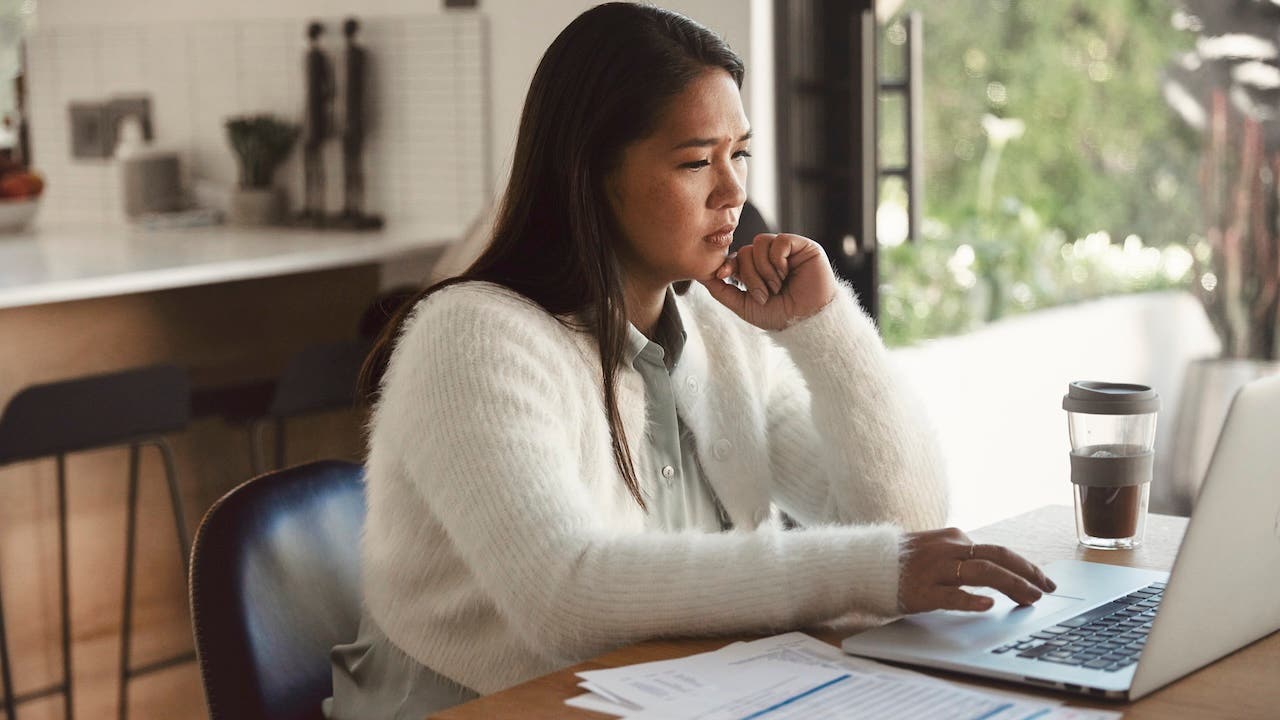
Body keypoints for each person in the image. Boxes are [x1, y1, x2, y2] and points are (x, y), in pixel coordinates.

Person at [326, 4, 1055, 718]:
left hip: (676, 694)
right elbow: (565, 598)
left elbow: (903, 518)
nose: (734, 191)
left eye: (738, 153)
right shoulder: (473, 338)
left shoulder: (717, 327)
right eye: (696, 161)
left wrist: (824, 328)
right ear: (590, 174)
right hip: (483, 704)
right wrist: (870, 569)